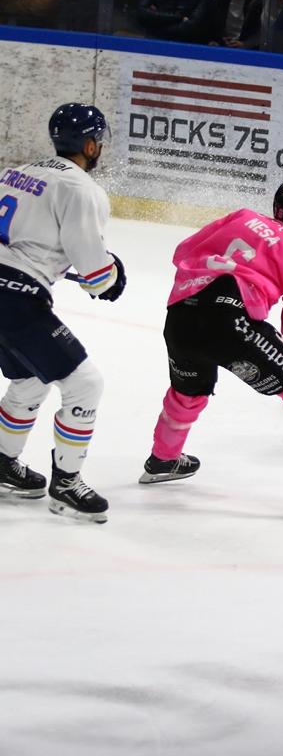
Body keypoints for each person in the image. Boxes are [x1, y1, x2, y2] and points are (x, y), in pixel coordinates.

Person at [138, 180, 283, 521]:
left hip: (180, 315)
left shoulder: (242, 217)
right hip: (229, 321)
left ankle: (162, 459)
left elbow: (182, 252)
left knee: (188, 392)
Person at [0, 103, 125, 523]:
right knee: (85, 384)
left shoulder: (15, 172)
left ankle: (2, 461)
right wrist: (112, 276)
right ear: (89, 145)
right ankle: (67, 484)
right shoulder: (81, 189)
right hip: (15, 299)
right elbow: (96, 276)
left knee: (31, 378)